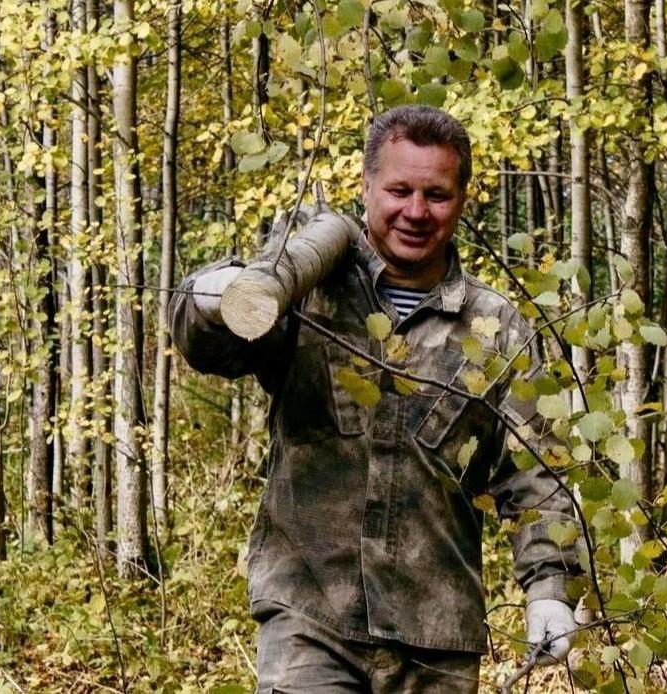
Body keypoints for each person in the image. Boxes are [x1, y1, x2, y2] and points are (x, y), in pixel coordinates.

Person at [173, 106, 582, 691]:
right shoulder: (310, 294)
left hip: (436, 639)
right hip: (309, 620)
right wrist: (214, 296)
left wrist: (549, 587)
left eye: (436, 195)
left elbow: (536, 475)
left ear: (461, 200)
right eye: (399, 190)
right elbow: (211, 348)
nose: (416, 211)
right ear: (366, 187)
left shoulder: (496, 329)